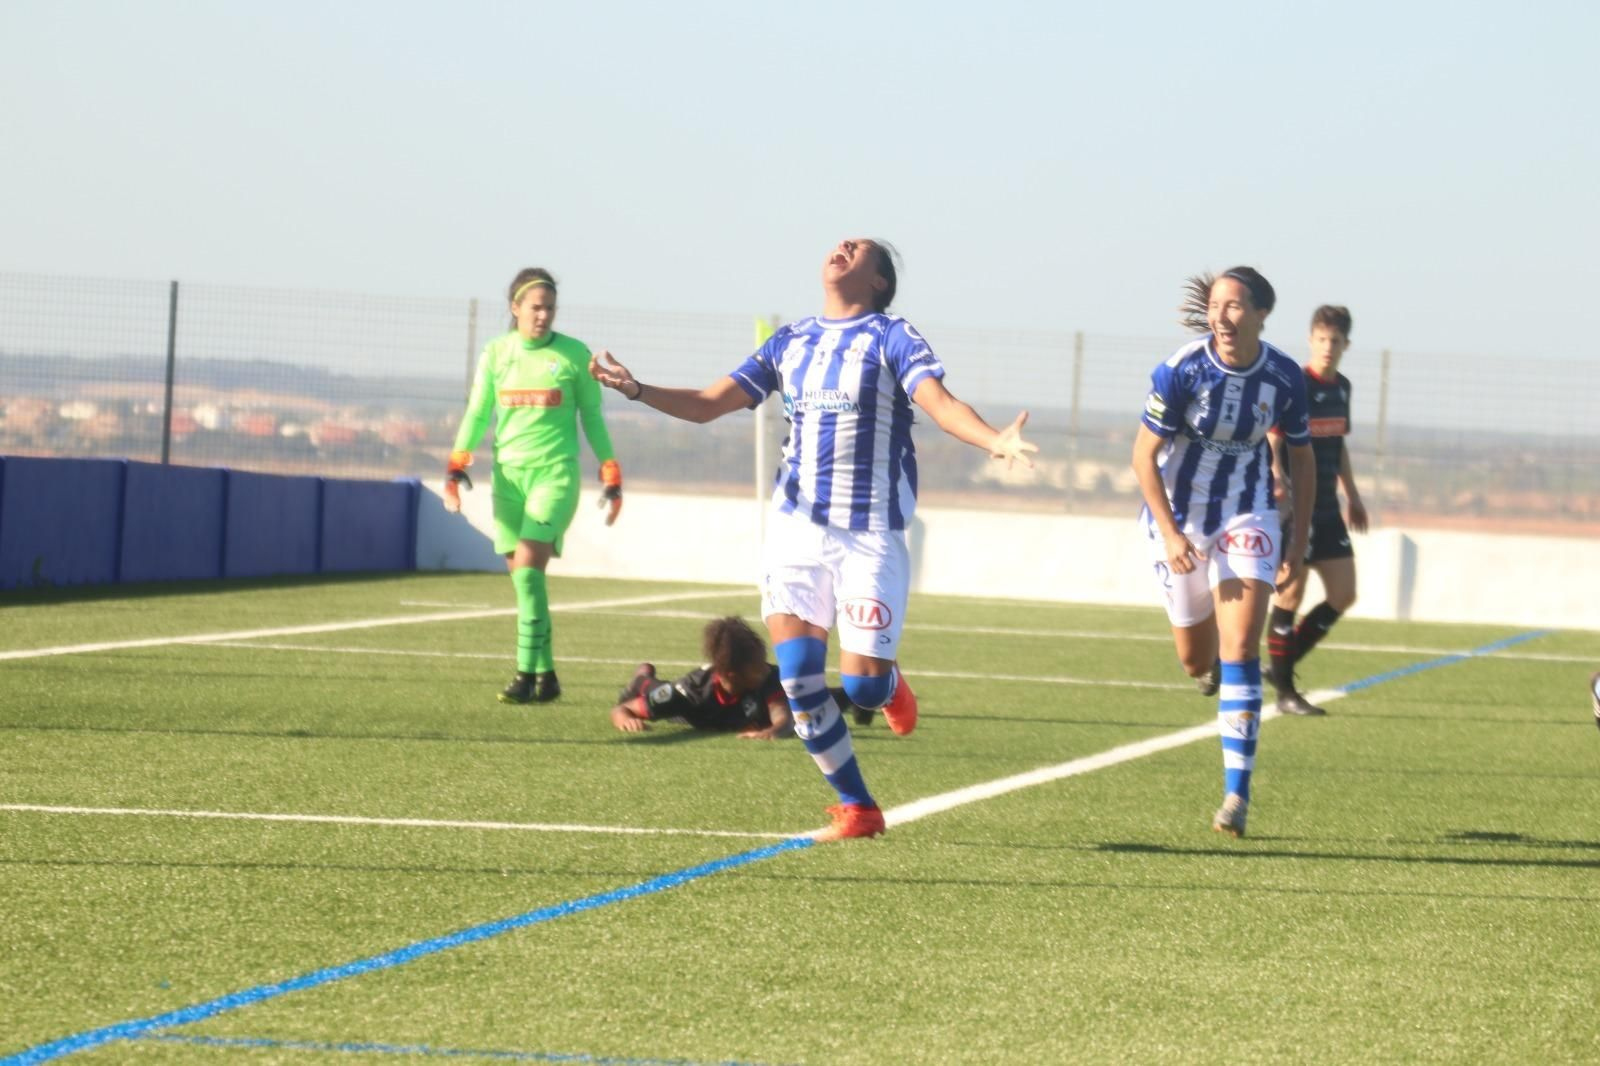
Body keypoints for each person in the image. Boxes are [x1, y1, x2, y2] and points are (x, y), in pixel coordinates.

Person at [590, 238, 1036, 841]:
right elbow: (708, 404)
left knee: (863, 688)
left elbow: (941, 404)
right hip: (796, 531)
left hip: (869, 536)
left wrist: (994, 440)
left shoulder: (892, 336)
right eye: (841, 241)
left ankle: (889, 684)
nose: (844, 245)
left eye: (862, 248)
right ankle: (859, 808)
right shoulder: (791, 341)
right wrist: (638, 389)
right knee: (799, 681)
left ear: (878, 282)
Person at [1131, 267, 1314, 838]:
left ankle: (1237, 796)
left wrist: (1298, 540)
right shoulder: (1182, 369)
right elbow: (1142, 458)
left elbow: (1303, 459)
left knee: (1240, 646)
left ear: (1261, 314)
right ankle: (1207, 669)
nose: (1222, 317)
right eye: (1215, 306)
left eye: (1234, 306)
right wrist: (1171, 534)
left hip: (1248, 512)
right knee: (1196, 659)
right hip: (1180, 522)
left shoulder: (1283, 377)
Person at [443, 267, 623, 705]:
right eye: (536, 308)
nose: (543, 316)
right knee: (527, 581)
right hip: (508, 478)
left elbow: (592, 417)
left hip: (555, 477)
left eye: (550, 308)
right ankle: (547, 675)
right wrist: (456, 463)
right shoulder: (496, 353)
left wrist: (610, 470)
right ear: (516, 307)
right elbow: (478, 412)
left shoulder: (573, 355)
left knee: (526, 569)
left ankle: (524, 675)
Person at [1264, 305, 1367, 716]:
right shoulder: (1297, 385)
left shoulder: (1343, 388)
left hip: (1328, 508)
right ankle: (1285, 692)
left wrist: (1352, 496)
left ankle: (1280, 665)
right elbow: (1273, 439)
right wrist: (1277, 477)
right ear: (1311, 340)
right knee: (1290, 592)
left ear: (1346, 345)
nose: (1328, 347)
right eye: (1321, 339)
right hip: (1297, 506)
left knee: (1343, 593)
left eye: (1335, 341)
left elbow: (1338, 446)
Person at [610, 616, 864, 739]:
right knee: (654, 690)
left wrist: (771, 732)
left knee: (819, 699)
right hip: (696, 713)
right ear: (731, 674)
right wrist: (624, 718)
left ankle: (860, 699)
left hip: (760, 711)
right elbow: (622, 710)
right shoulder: (691, 690)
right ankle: (642, 677)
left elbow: (784, 721)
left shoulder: (769, 679)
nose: (765, 669)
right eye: (756, 667)